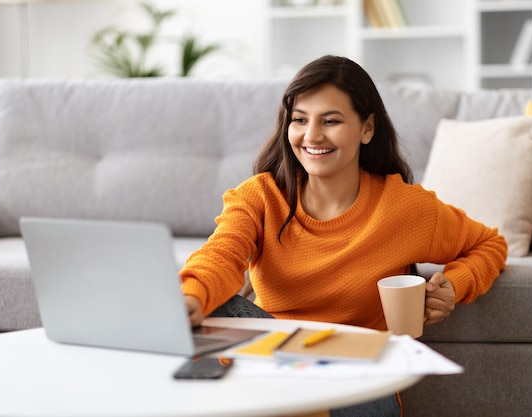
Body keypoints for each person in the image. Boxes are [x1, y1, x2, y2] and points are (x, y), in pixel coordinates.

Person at [179, 55, 508, 416]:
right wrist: (190, 297)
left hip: (359, 379)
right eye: (300, 120)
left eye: (330, 121)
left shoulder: (405, 208)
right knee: (211, 303)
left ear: (367, 128)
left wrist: (455, 286)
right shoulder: (259, 197)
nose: (312, 136)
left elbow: (490, 244)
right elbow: (220, 254)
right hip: (278, 367)